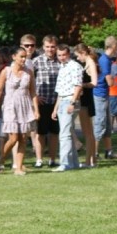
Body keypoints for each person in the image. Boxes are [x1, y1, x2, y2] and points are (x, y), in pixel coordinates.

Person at [0, 47, 39, 175]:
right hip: (10, 106)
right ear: (14, 57)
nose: (24, 59)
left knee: (23, 138)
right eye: (21, 56)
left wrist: (36, 109)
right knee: (13, 138)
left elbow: (33, 92)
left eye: (25, 57)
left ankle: (18, 167)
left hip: (25, 106)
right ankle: (2, 159)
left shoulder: (29, 72)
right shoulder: (6, 71)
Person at [50, 44, 83, 172]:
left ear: (68, 54)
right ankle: (73, 163)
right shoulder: (62, 67)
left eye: (64, 55)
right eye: (59, 55)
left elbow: (78, 86)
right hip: (63, 100)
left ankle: (65, 163)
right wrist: (55, 109)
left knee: (64, 134)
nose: (62, 57)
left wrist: (72, 103)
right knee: (67, 132)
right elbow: (60, 91)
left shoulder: (74, 66)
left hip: (70, 100)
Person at [30, 35, 61, 168]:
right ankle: (39, 159)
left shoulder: (61, 61)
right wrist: (35, 96)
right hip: (42, 102)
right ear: (43, 47)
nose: (50, 49)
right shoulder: (36, 61)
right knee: (40, 133)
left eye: (52, 46)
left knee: (54, 132)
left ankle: (52, 159)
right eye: (47, 47)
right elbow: (30, 81)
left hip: (57, 102)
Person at [94, 36, 117, 160]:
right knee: (100, 123)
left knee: (107, 124)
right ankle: (94, 152)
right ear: (114, 46)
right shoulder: (105, 60)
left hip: (104, 94)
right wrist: (113, 79)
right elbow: (109, 81)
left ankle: (109, 151)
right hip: (100, 95)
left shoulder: (106, 59)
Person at [74, 43, 99, 167]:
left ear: (83, 53)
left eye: (78, 56)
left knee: (87, 132)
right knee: (89, 132)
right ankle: (92, 159)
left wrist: (81, 85)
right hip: (85, 99)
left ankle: (89, 161)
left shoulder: (91, 63)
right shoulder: (88, 63)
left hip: (86, 100)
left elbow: (94, 82)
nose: (78, 59)